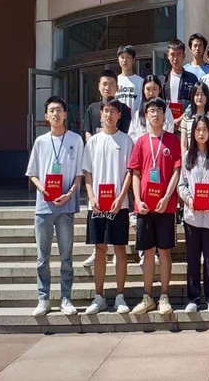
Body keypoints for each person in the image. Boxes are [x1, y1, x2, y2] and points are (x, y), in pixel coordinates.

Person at [26, 96, 85, 317]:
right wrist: (43, 190)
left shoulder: (75, 140)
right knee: (42, 256)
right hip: (44, 206)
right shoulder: (41, 141)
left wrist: (70, 193)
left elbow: (80, 172)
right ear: (46, 116)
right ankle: (43, 298)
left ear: (65, 114)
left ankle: (66, 298)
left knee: (66, 256)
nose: (55, 114)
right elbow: (32, 173)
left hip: (66, 205)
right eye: (51, 110)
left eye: (59, 110)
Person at [128, 97, 182, 315]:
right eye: (151, 110)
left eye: (159, 110)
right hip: (144, 206)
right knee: (148, 251)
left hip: (165, 206)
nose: (155, 114)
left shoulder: (172, 140)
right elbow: (135, 173)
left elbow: (177, 171)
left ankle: (164, 296)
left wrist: (167, 196)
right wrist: (138, 199)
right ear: (145, 116)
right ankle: (147, 296)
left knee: (165, 251)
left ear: (164, 114)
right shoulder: (141, 142)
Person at [81, 98, 134, 314]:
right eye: (106, 111)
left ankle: (120, 295)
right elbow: (87, 172)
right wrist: (91, 197)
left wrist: (121, 197)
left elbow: (130, 172)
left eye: (113, 111)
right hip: (96, 205)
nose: (109, 115)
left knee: (119, 248)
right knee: (99, 248)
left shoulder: (126, 140)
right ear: (101, 114)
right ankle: (99, 296)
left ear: (119, 115)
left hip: (119, 205)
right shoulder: (93, 142)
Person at [178, 115, 209, 313]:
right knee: (192, 259)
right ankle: (193, 298)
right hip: (191, 216)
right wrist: (188, 199)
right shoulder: (186, 157)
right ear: (193, 133)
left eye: (205, 130)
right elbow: (181, 184)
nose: (201, 133)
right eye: (198, 130)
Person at [81, 69, 131, 143]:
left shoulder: (123, 108)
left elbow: (126, 131)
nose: (107, 88)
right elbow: (87, 131)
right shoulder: (92, 108)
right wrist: (92, 145)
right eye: (104, 84)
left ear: (117, 88)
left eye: (111, 84)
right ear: (99, 86)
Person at [159, 38, 198, 128]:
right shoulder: (162, 79)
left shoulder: (192, 79)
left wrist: (181, 119)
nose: (175, 59)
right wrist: (169, 120)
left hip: (186, 124)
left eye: (179, 54)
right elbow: (158, 103)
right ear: (168, 56)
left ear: (183, 56)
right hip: (165, 124)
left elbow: (194, 103)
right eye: (172, 55)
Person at [129, 75, 176, 143]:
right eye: (148, 89)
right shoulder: (138, 114)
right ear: (143, 90)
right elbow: (132, 136)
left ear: (159, 90)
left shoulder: (166, 112)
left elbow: (169, 132)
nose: (151, 93)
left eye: (154, 89)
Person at [180, 82, 209, 156]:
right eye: (197, 94)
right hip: (191, 158)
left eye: (202, 94)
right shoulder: (186, 119)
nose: (199, 97)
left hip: (208, 158)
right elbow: (183, 145)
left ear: (207, 97)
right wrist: (185, 159)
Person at [115, 45, 145, 116]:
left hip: (135, 119)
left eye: (128, 57)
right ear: (118, 59)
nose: (124, 60)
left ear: (133, 60)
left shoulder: (141, 81)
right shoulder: (115, 81)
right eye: (122, 57)